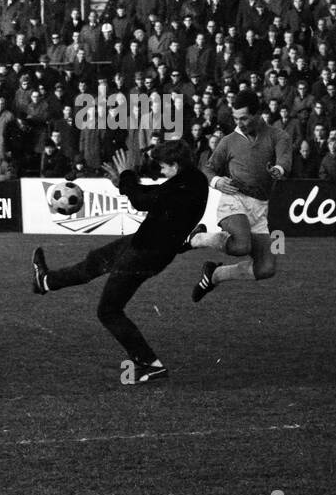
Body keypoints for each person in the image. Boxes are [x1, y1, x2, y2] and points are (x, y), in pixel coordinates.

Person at [31, 141, 208, 384]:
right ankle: (46, 281)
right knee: (96, 261)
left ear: (175, 165)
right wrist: (126, 183)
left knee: (108, 310)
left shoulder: (182, 187)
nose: (161, 171)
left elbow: (141, 200)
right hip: (145, 243)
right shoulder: (193, 179)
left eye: (164, 167)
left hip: (146, 253)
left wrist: (126, 176)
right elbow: (148, 194)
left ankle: (149, 364)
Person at [185, 88, 292, 303]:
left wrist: (278, 170)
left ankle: (215, 274)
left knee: (266, 268)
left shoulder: (278, 135)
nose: (239, 123)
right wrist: (217, 181)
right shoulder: (228, 141)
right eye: (235, 118)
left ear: (258, 114)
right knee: (242, 245)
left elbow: (285, 160)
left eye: (243, 118)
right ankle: (196, 238)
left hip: (260, 206)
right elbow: (207, 169)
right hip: (234, 199)